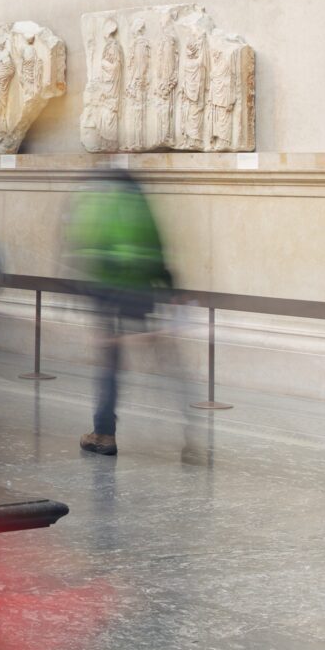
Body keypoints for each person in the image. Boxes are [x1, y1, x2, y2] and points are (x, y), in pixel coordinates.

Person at [68, 167, 196, 461]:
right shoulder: (140, 203)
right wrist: (171, 289)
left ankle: (103, 433)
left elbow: (88, 250)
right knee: (167, 364)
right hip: (142, 297)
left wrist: (81, 291)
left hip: (109, 298)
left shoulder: (98, 204)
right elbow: (158, 249)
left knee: (109, 367)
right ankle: (190, 429)